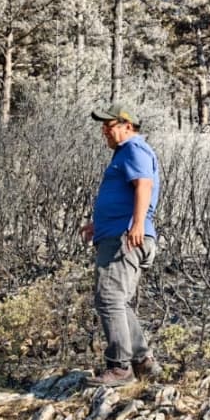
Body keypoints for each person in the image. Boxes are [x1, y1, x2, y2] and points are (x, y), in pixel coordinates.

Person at [82, 103, 161, 386]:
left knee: (109, 298)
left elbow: (144, 185)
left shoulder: (133, 149)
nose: (104, 130)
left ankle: (120, 368)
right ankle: (142, 361)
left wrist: (136, 224)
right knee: (117, 300)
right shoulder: (126, 152)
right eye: (103, 126)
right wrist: (97, 224)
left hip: (124, 237)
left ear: (128, 126)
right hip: (120, 233)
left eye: (109, 125)